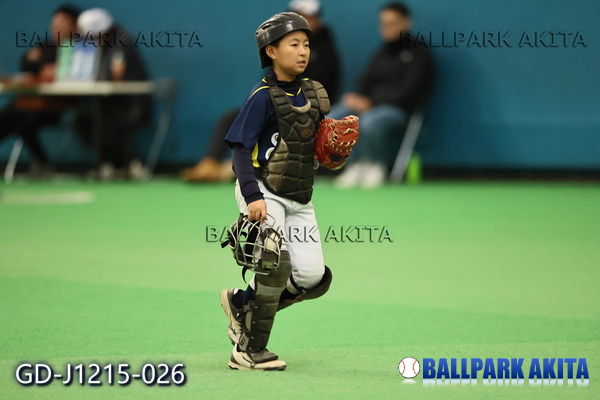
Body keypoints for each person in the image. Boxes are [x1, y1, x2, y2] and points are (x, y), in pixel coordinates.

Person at [219, 12, 351, 371]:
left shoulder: (314, 93)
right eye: (294, 44)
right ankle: (248, 350)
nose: (303, 51)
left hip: (300, 197)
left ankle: (242, 304)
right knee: (274, 264)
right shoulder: (262, 96)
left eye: (306, 44)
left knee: (312, 277)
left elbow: (312, 148)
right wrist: (252, 197)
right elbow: (239, 150)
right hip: (264, 191)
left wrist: (334, 154)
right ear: (272, 51)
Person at [181, 0, 341, 183]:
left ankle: (236, 169)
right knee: (232, 118)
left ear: (317, 20)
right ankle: (210, 165)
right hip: (277, 106)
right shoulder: (281, 46)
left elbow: (319, 91)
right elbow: (270, 80)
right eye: (296, 16)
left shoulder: (325, 51)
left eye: (306, 17)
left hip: (304, 112)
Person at [331, 2, 433, 189]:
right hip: (370, 105)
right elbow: (365, 81)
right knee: (336, 117)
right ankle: (355, 166)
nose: (387, 27)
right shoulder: (381, 52)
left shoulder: (418, 52)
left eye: (392, 22)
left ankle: (375, 166)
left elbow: (409, 90)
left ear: (406, 22)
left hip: (399, 109)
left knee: (369, 122)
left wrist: (372, 102)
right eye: (383, 23)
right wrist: (357, 98)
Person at [0, 4, 80, 177]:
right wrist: (43, 67)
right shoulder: (46, 45)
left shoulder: (79, 48)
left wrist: (53, 69)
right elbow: (26, 63)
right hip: (35, 101)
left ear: (74, 26)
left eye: (62, 22)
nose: (56, 26)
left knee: (22, 120)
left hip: (59, 105)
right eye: (54, 22)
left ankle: (43, 163)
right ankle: (43, 164)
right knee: (10, 113)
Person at [73, 8, 152, 180]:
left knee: (107, 117)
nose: (89, 39)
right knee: (84, 119)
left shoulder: (121, 41)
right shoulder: (100, 44)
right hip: (112, 100)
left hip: (134, 102)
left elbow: (117, 76)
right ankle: (111, 163)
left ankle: (127, 163)